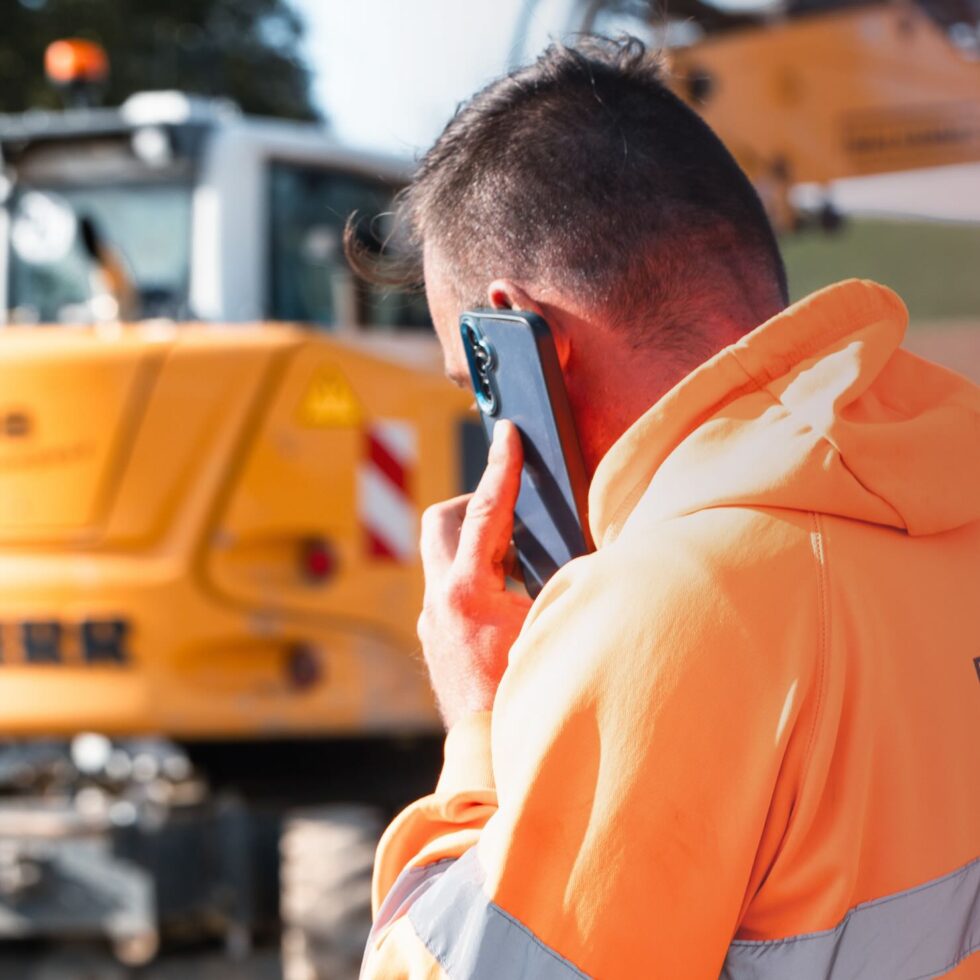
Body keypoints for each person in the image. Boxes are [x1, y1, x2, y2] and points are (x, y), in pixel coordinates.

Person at [350, 37, 980, 979]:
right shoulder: (945, 496)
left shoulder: (666, 608)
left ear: (523, 346)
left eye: (475, 386)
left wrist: (480, 721)